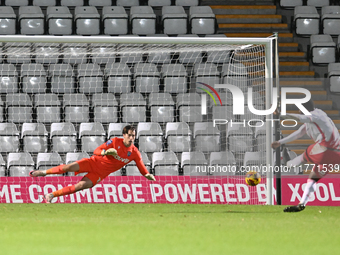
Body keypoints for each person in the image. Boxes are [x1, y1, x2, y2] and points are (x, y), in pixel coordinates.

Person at [30, 125, 156, 203]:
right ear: (124, 135)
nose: (132, 138)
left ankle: (50, 196)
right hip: (92, 163)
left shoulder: (134, 152)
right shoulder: (114, 141)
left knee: (79, 186)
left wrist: (147, 175)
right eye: (129, 135)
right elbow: (96, 151)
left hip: (100, 174)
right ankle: (43, 172)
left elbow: (141, 167)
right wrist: (106, 152)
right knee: (68, 167)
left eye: (133, 136)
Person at [272, 100, 340, 212]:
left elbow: (300, 118)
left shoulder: (316, 116)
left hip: (326, 149)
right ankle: (301, 204)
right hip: (336, 156)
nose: (298, 111)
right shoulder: (314, 119)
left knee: (307, 153)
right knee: (313, 178)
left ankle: (289, 164)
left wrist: (280, 115)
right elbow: (298, 133)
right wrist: (280, 142)